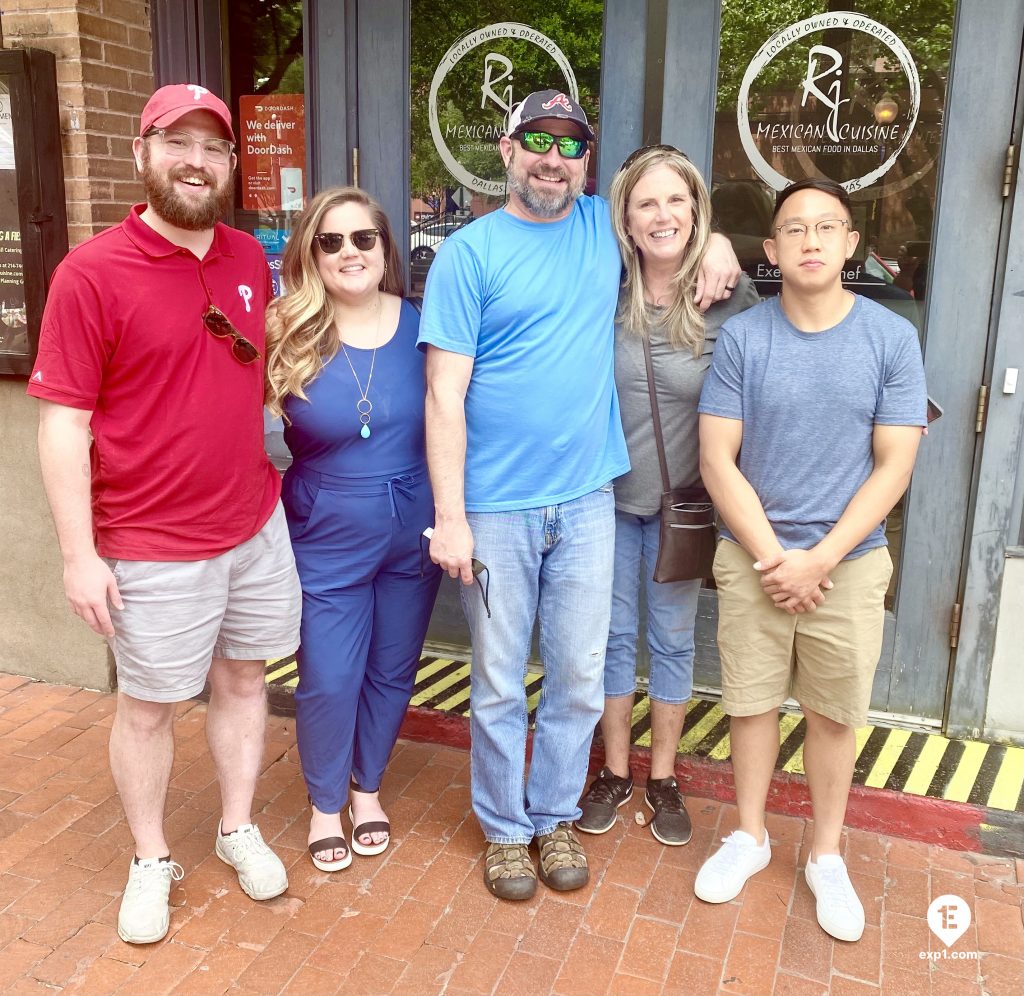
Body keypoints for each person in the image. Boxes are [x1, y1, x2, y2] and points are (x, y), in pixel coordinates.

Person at [418, 90, 741, 901]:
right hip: (495, 506)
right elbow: (443, 395)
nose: (551, 159)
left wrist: (720, 246)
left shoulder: (605, 228)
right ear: (505, 150)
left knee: (574, 673)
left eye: (568, 145)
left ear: (586, 161)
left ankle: (555, 814)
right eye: (536, 141)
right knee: (496, 680)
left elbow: (672, 225)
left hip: (590, 499)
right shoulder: (469, 253)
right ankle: (503, 830)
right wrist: (450, 517)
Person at [28, 84, 300, 944]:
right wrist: (79, 554)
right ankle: (150, 858)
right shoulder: (90, 273)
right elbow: (62, 421)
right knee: (148, 706)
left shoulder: (249, 260)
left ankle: (235, 826)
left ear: (229, 164)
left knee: (245, 678)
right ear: (141, 155)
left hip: (253, 520)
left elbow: (244, 378)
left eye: (212, 147)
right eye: (175, 142)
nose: (195, 160)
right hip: (150, 542)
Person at [696, 177, 927, 942]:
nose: (811, 241)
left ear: (851, 244)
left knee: (834, 715)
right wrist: (775, 558)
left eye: (827, 227)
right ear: (771, 249)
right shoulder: (743, 338)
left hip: (850, 562)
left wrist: (819, 560)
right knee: (751, 704)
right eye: (795, 229)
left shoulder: (891, 339)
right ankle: (752, 835)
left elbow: (894, 465)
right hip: (754, 556)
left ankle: (826, 853)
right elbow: (718, 460)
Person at [576, 146, 758, 846]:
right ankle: (616, 773)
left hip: (684, 505)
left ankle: (663, 777)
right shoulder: (603, 282)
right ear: (624, 213)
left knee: (672, 640)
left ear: (697, 210)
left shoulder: (727, 295)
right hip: (609, 501)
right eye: (647, 202)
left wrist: (721, 244)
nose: (662, 215)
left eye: (677, 202)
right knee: (614, 639)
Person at [265, 187, 441, 872]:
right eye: (330, 241)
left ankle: (367, 789)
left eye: (363, 238)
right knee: (330, 676)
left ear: (384, 247)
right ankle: (323, 804)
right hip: (326, 526)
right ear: (311, 253)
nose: (349, 253)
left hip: (412, 522)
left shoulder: (423, 326)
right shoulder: (286, 330)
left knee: (392, 669)